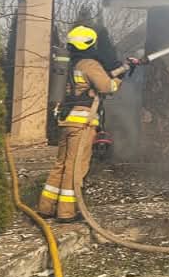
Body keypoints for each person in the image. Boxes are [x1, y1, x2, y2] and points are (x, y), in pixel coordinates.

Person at [37, 25, 139, 223]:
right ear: (90, 44)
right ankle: (66, 212)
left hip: (67, 121)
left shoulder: (70, 64)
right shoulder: (89, 64)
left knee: (60, 164)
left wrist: (121, 69)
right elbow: (107, 87)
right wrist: (120, 78)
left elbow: (89, 84)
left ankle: (45, 207)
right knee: (75, 167)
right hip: (83, 123)